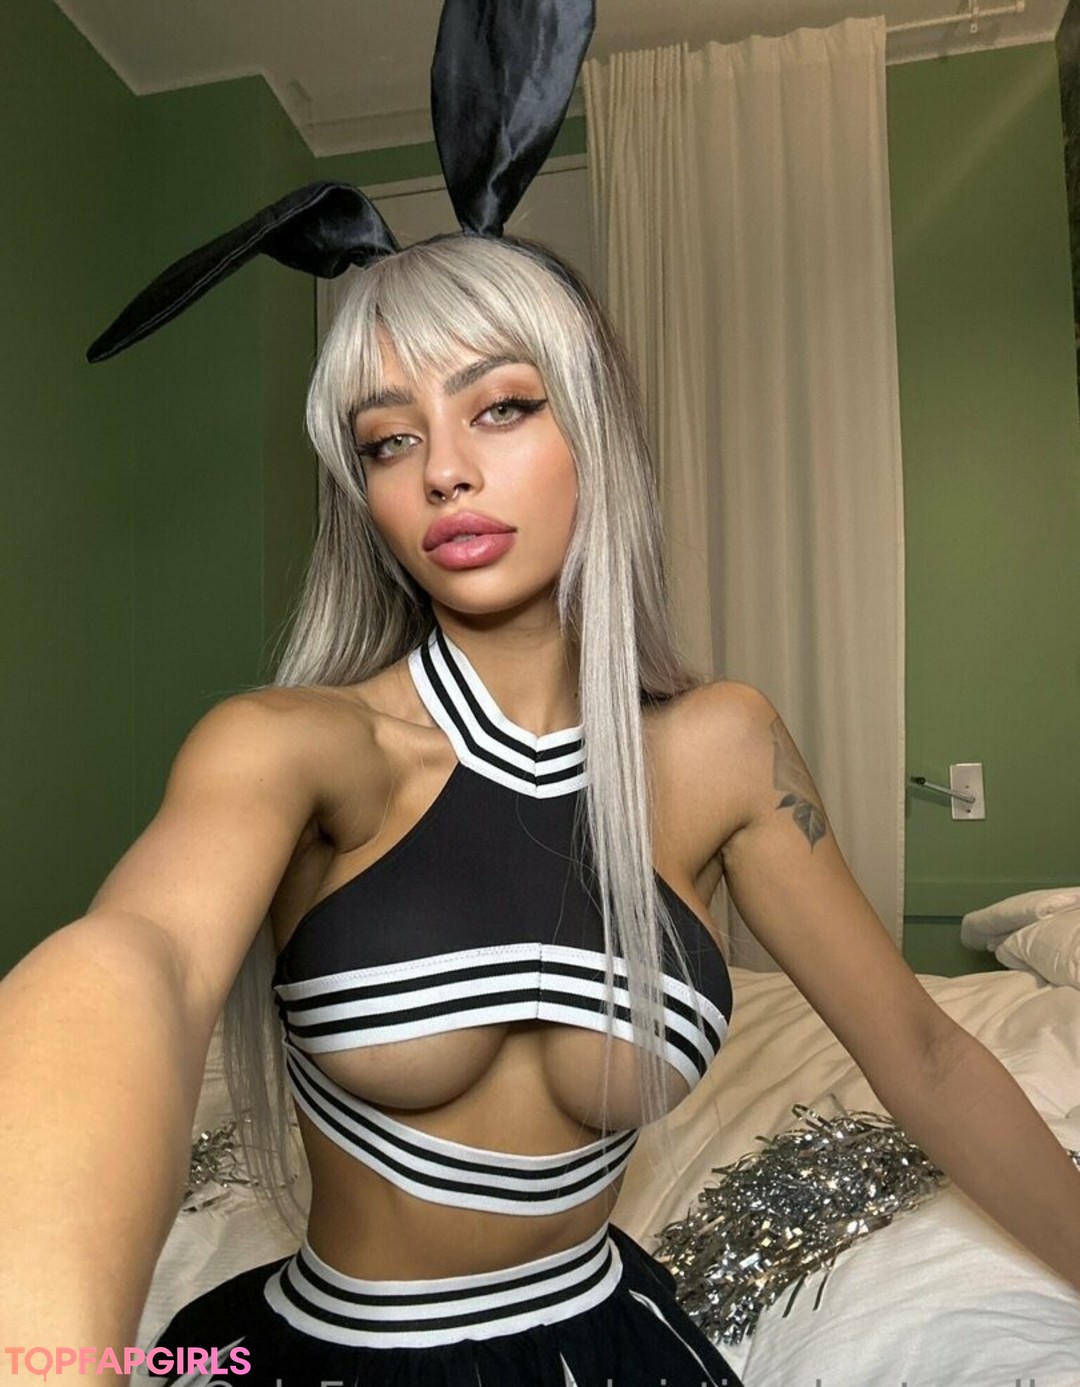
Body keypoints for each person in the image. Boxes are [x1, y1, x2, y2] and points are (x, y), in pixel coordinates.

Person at [3, 227, 1079, 1387]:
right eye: (389, 439)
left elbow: (924, 1053)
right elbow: (137, 965)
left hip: (611, 1340)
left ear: (595, 429)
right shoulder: (297, 746)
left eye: (502, 407)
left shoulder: (724, 748)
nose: (443, 471)